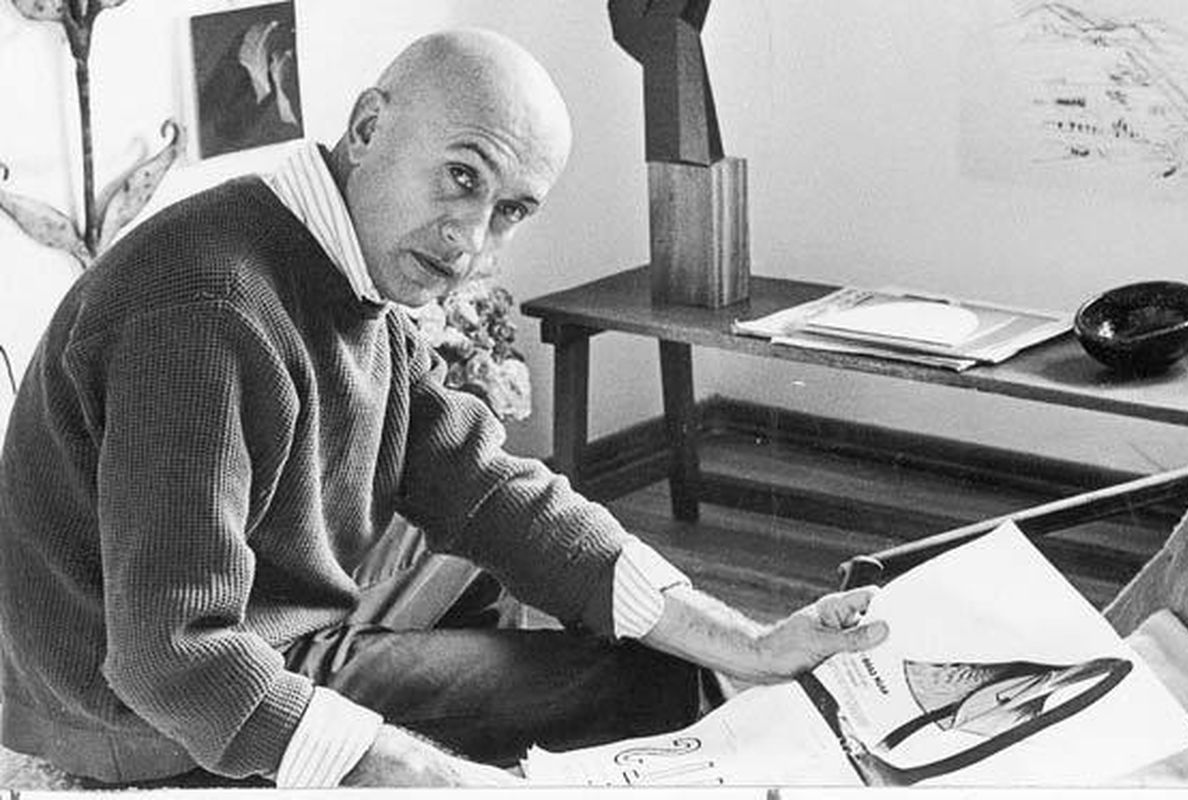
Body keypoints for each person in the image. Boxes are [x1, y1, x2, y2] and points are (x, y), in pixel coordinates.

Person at [0, 28, 888, 788]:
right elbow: (169, 655)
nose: (472, 240)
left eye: (511, 210)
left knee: (524, 581)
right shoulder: (207, 309)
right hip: (126, 713)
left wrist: (749, 642)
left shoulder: (339, 265)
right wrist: (432, 773)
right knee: (649, 686)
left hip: (233, 614)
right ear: (368, 128)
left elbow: (483, 485)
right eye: (461, 177)